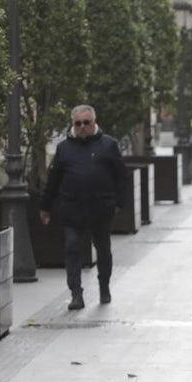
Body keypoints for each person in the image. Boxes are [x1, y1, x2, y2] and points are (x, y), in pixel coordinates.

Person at [40, 105, 128, 311]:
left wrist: (118, 203)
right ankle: (76, 294)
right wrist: (45, 207)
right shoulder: (63, 149)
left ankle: (104, 286)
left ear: (94, 122)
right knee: (72, 248)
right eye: (77, 123)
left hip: (101, 209)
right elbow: (53, 180)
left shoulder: (109, 145)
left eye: (86, 122)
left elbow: (121, 177)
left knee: (103, 250)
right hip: (72, 209)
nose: (82, 127)